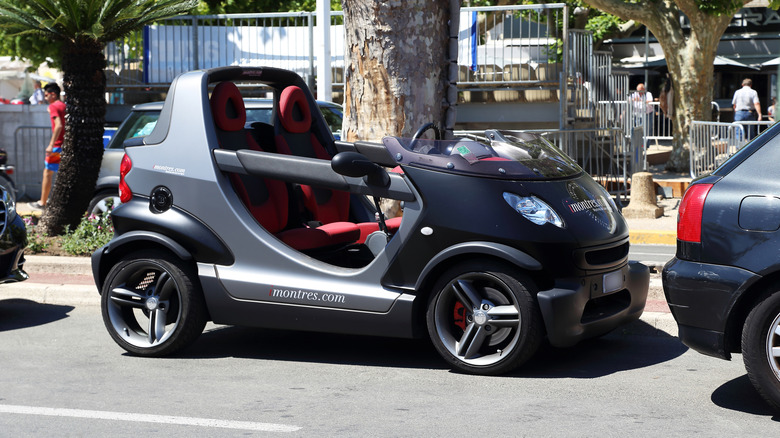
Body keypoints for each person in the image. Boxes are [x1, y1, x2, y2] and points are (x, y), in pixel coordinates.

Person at [28, 83, 65, 210]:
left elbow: (59, 125)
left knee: (47, 173)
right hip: (66, 145)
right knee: (61, 173)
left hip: (57, 146)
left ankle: (42, 203)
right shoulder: (64, 106)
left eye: (46, 95)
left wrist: (50, 145)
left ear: (53, 94)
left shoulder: (54, 106)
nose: (45, 98)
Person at [631, 83, 654, 147]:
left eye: (640, 90)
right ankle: (639, 144)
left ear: (644, 89)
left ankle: (646, 145)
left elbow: (650, 101)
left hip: (647, 114)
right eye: (638, 90)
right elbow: (629, 99)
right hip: (638, 114)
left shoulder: (648, 94)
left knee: (647, 130)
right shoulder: (635, 94)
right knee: (638, 130)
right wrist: (634, 99)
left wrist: (641, 100)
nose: (639, 92)